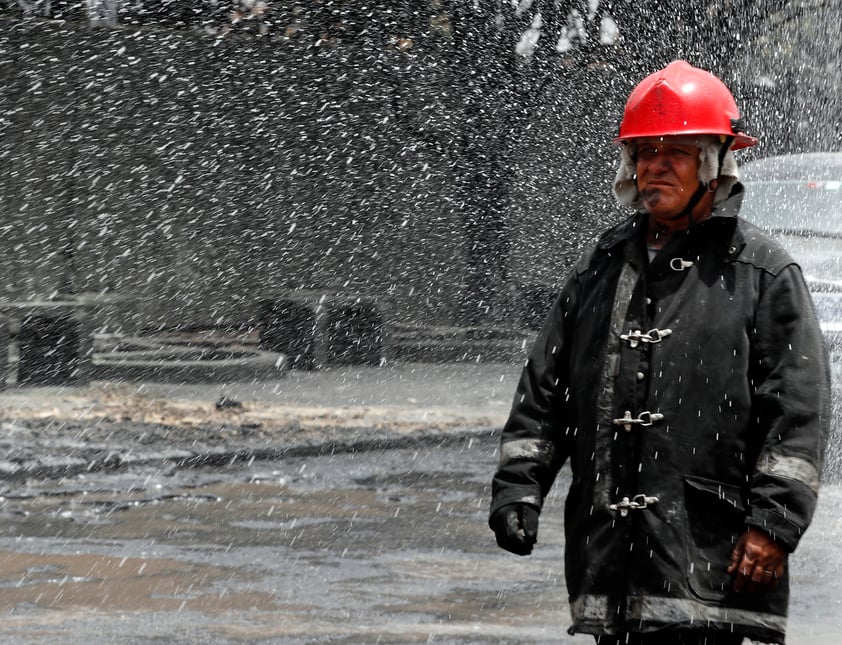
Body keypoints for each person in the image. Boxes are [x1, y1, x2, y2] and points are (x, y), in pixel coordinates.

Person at [488, 60, 829, 645]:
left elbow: (797, 413)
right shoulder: (600, 266)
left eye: (675, 152)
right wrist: (520, 484)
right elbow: (545, 387)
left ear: (715, 163)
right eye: (644, 152)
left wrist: (773, 523)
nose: (654, 166)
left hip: (711, 556)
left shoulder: (763, 273)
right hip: (611, 557)